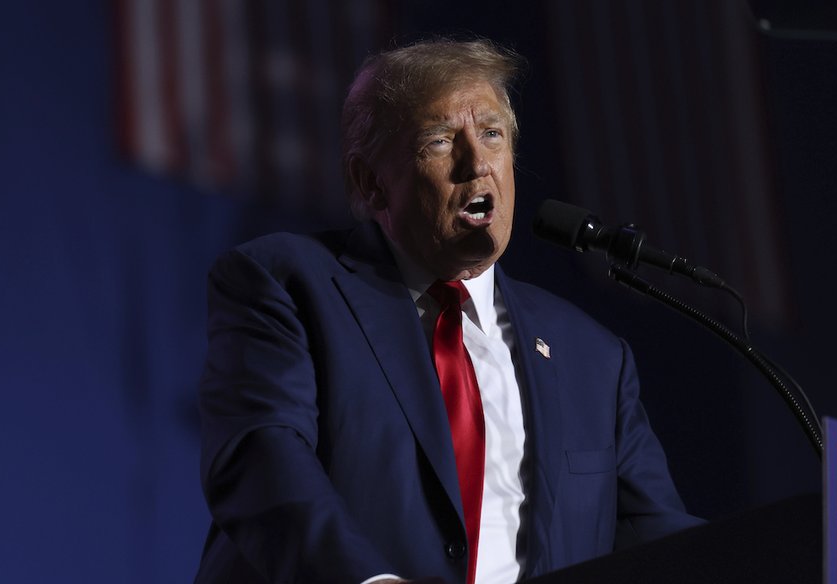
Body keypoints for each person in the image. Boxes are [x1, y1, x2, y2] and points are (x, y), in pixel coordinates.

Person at [194, 38, 702, 584]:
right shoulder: (289, 284)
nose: (477, 163)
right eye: (439, 141)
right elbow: (261, 457)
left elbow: (656, 539)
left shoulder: (592, 357)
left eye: (491, 134)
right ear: (371, 183)